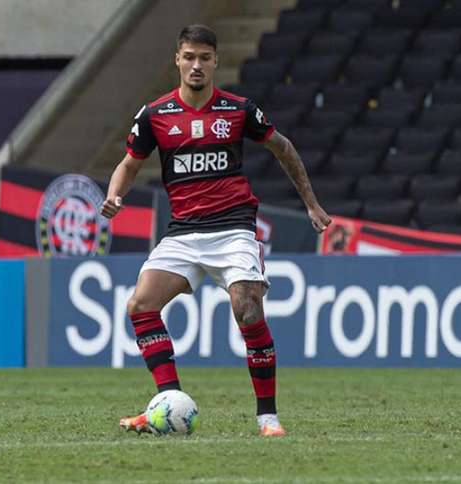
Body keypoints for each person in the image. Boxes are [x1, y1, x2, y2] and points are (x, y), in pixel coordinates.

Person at [101, 24, 331, 437]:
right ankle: (168, 403)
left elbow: (283, 147)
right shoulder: (155, 115)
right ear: (177, 59)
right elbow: (129, 164)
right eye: (189, 57)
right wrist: (115, 195)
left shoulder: (239, 110)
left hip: (233, 230)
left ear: (215, 62)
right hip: (183, 234)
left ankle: (267, 417)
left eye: (204, 58)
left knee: (247, 309)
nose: (196, 65)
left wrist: (311, 203)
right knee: (140, 305)